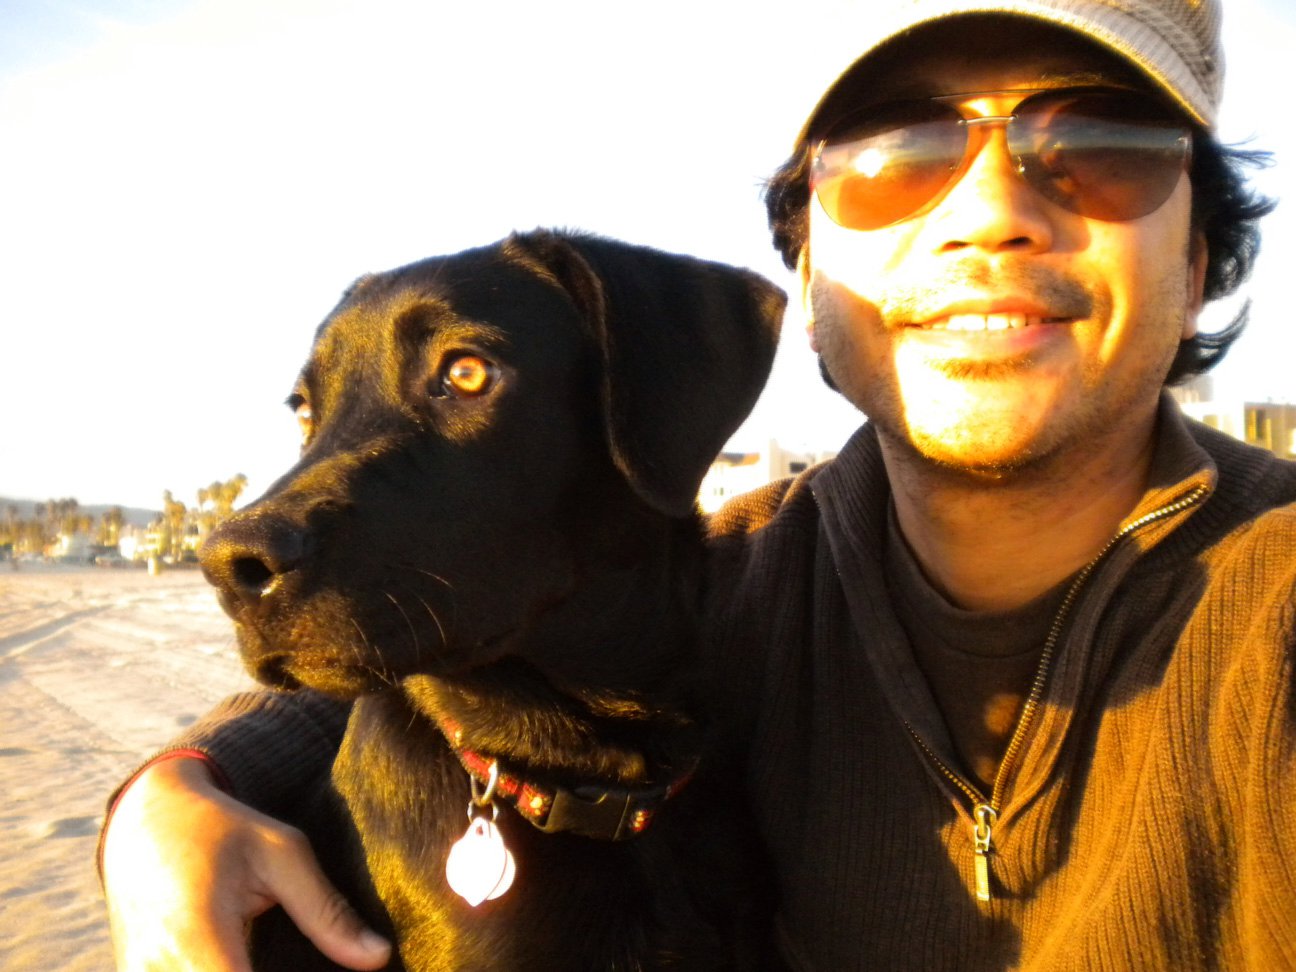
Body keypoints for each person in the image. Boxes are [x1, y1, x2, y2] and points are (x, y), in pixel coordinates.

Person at [101, 0, 1296, 968]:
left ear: (1198, 262)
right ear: (810, 275)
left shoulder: (1274, 609)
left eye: (1098, 149)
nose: (991, 213)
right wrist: (173, 790)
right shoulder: (753, 578)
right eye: (897, 154)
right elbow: (445, 648)